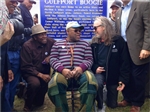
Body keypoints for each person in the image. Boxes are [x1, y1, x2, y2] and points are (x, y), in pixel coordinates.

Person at [48, 21, 98, 112]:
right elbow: (53, 59)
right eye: (76, 30)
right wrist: (62, 70)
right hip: (62, 71)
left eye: (80, 30)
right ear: (67, 31)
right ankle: (62, 110)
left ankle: (85, 110)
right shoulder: (57, 44)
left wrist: (81, 68)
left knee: (91, 82)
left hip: (82, 71)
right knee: (55, 84)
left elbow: (89, 59)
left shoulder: (85, 44)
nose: (79, 32)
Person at [115, 0, 150, 112]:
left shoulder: (143, 5)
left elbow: (148, 28)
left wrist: (146, 48)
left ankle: (137, 103)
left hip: (139, 49)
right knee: (126, 74)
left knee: (137, 77)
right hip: (123, 48)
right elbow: (118, 32)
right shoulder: (119, 11)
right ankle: (127, 99)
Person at [91, 16, 130, 112]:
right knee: (98, 84)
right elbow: (89, 59)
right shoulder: (93, 43)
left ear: (104, 27)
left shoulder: (118, 40)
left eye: (95, 28)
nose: (94, 31)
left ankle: (105, 95)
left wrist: (123, 79)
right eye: (93, 28)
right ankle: (100, 105)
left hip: (113, 76)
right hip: (99, 73)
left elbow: (125, 61)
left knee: (112, 105)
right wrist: (95, 68)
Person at [20, 24, 55, 111]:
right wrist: (40, 75)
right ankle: (27, 104)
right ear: (35, 37)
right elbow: (26, 66)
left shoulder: (50, 42)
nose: (44, 37)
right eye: (41, 35)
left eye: (44, 34)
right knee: (35, 84)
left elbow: (60, 49)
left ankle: (26, 93)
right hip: (31, 72)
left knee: (39, 103)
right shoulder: (27, 46)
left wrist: (51, 56)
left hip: (44, 71)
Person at [1, 0, 24, 111]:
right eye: (13, 1)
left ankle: (9, 107)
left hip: (11, 52)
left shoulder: (16, 12)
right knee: (5, 86)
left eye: (17, 2)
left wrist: (5, 22)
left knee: (12, 84)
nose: (15, 4)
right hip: (6, 53)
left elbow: (19, 26)